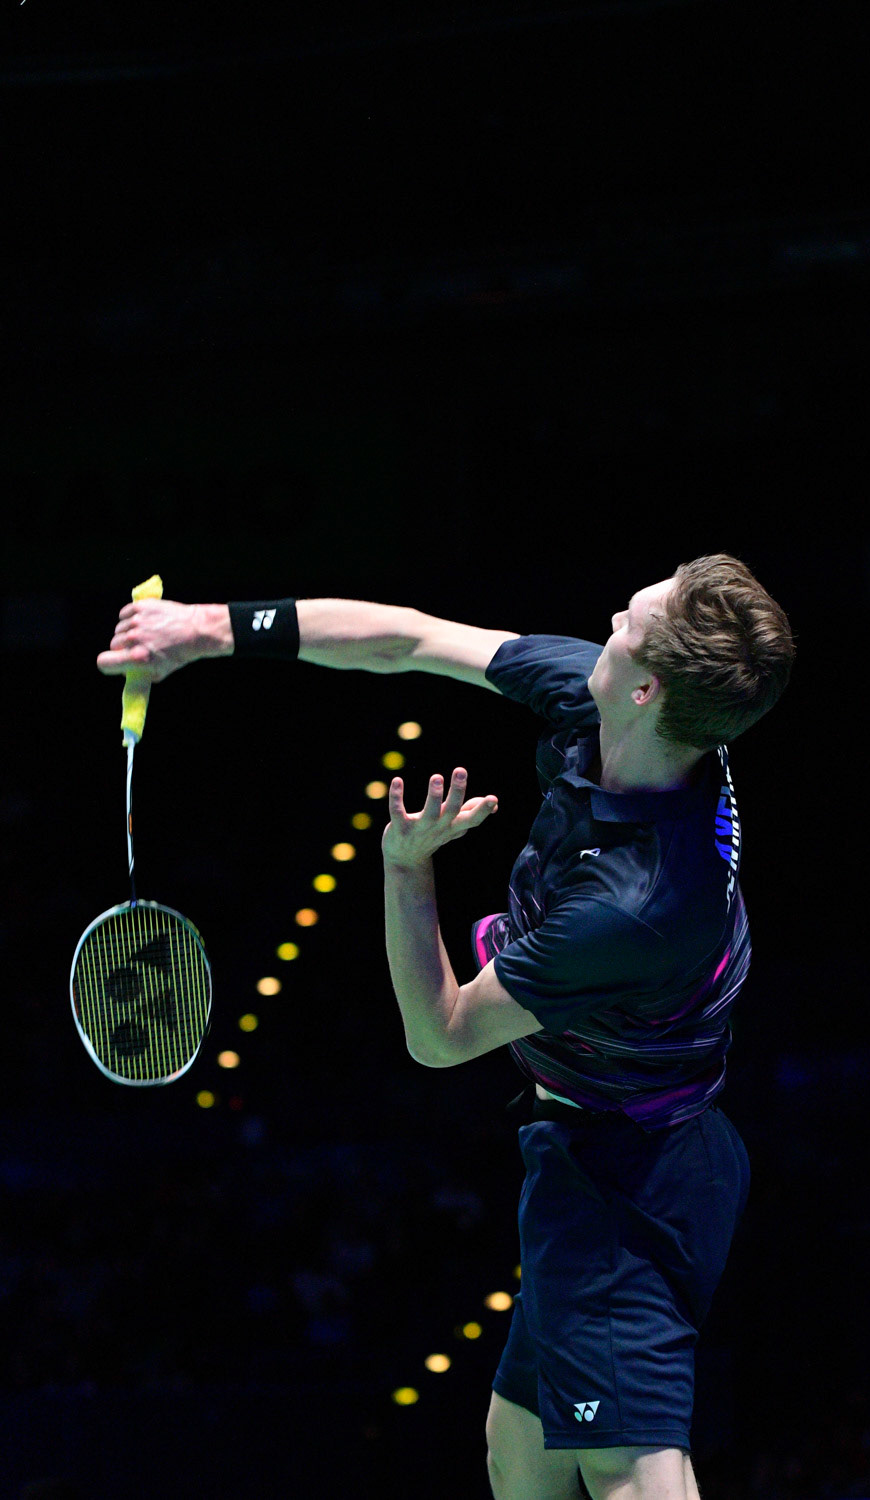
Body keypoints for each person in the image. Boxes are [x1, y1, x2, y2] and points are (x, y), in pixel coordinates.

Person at [97, 553, 796, 1500]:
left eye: (633, 618)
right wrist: (208, 628)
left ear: (646, 686)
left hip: (633, 1184)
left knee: (634, 1475)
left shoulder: (631, 904)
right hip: (613, 1151)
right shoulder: (628, 718)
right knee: (518, 1451)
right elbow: (411, 639)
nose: (613, 614)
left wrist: (404, 866)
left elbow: (441, 1033)